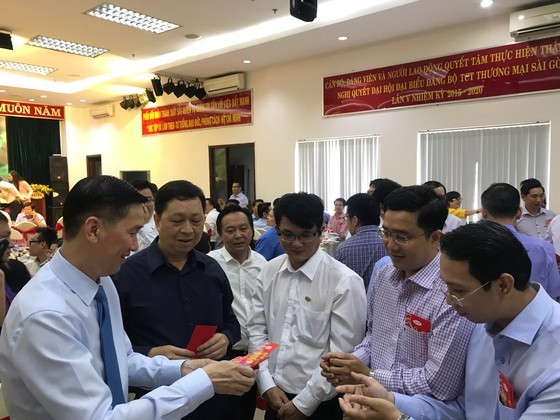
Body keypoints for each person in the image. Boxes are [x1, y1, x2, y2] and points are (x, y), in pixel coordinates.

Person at [0, 175, 254, 419]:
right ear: (93, 229)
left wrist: (184, 369)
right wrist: (203, 383)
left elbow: (124, 359)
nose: (135, 245)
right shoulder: (46, 315)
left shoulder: (103, 285)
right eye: (132, 232)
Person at [336, 221, 560, 420]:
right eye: (445, 287)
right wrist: (391, 399)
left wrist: (399, 418)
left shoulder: (553, 362)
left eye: (458, 291)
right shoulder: (484, 324)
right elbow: (463, 410)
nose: (449, 301)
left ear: (503, 285)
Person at [321, 186, 473, 402]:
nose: (391, 245)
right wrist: (349, 363)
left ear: (435, 237)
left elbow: (438, 384)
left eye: (402, 237)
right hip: (371, 401)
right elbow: (374, 337)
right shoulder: (384, 275)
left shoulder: (451, 294)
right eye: (387, 233)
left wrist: (368, 375)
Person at [112, 180, 242, 419]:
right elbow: (112, 346)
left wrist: (226, 337)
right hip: (159, 403)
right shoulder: (125, 275)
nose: (188, 230)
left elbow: (231, 321)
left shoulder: (212, 269)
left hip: (216, 397)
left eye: (195, 220)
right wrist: (149, 353)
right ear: (157, 220)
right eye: (177, 220)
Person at [248, 192, 367, 420]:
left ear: (321, 230)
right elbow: (257, 331)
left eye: (306, 235)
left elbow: (341, 354)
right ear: (277, 231)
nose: (296, 244)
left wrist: (305, 403)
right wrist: (265, 384)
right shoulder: (269, 272)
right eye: (287, 235)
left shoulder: (344, 281)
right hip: (275, 392)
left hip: (320, 403)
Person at [208, 205, 267, 419]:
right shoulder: (210, 263)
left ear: (252, 231)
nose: (238, 235)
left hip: (255, 353)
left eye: (243, 228)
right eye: (230, 230)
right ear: (220, 233)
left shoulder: (263, 264)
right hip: (223, 354)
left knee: (246, 410)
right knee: (221, 410)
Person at [481, 183, 560, 298]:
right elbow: (553, 292)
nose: (538, 199)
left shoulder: (470, 246)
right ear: (519, 212)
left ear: (484, 212)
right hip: (535, 312)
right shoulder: (543, 248)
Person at [334, 193, 386, 288]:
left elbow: (336, 283)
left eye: (346, 218)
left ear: (354, 220)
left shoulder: (343, 248)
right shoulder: (388, 243)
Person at [130, 179, 158, 254]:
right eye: (138, 201)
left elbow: (159, 250)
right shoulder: (124, 224)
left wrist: (144, 225)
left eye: (148, 200)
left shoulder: (162, 221)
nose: (143, 205)